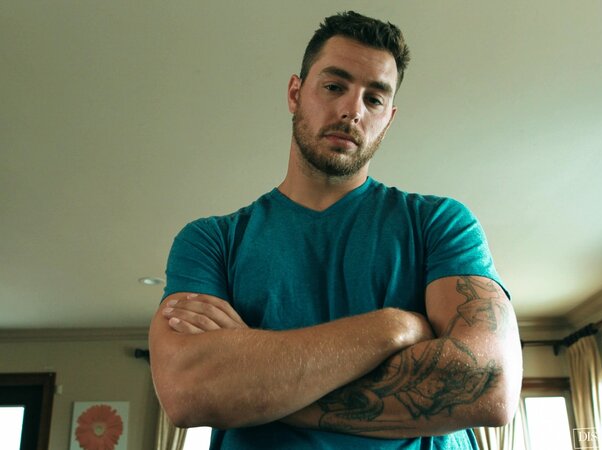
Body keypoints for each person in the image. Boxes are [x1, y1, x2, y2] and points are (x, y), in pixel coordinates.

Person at [149, 10, 522, 450]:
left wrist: (251, 386)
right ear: (295, 93)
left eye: (374, 99)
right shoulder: (211, 241)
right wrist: (393, 328)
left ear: (389, 118)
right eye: (334, 86)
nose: (352, 110)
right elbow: (188, 391)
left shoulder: (439, 223)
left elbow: (489, 385)